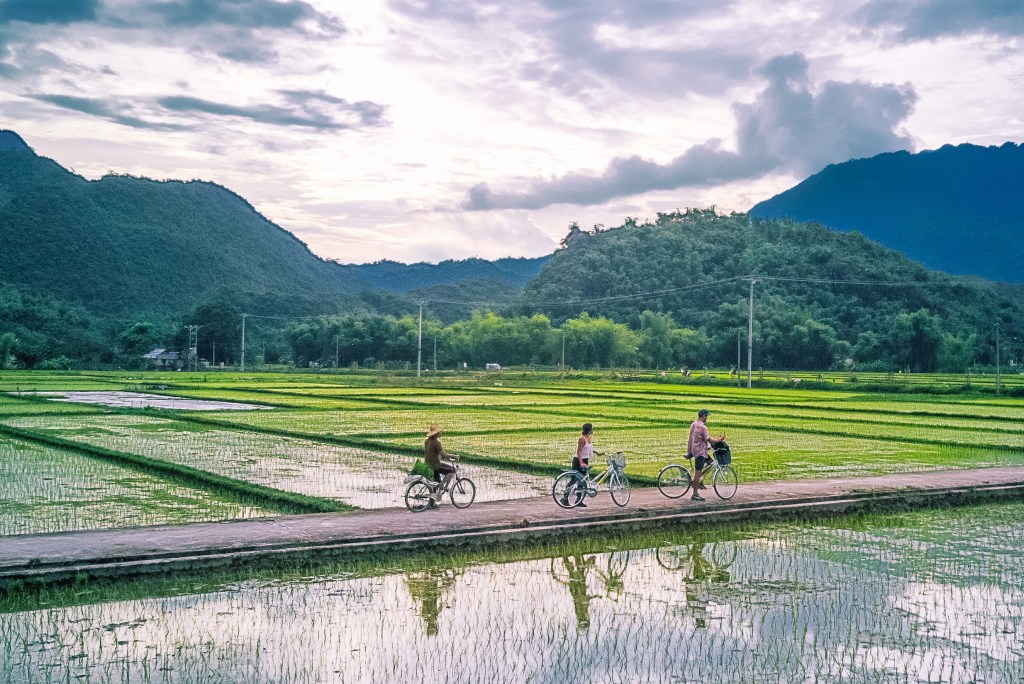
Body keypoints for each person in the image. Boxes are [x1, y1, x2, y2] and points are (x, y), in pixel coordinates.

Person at [687, 409, 724, 502]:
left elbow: (692, 437)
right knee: (697, 474)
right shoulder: (703, 427)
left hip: (696, 450)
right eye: (707, 416)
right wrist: (720, 439)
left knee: (711, 463)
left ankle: (700, 481)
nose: (707, 418)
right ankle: (695, 494)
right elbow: (710, 441)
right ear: (703, 416)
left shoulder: (694, 424)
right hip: (700, 453)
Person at [424, 423, 458, 504]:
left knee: (436, 482)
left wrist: (440, 457)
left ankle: (432, 503)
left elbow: (432, 453)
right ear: (435, 434)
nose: (440, 432)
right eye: (439, 432)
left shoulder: (427, 441)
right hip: (435, 465)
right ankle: (442, 485)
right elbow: (444, 454)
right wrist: (454, 456)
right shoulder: (436, 442)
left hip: (428, 464)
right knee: (452, 470)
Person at [570, 423, 602, 508]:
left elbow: (587, 448)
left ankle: (579, 500)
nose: (593, 430)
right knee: (573, 480)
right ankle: (565, 498)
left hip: (585, 460)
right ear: (589, 430)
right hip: (578, 460)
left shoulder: (589, 438)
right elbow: (579, 451)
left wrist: (597, 453)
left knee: (582, 481)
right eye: (592, 428)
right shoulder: (582, 439)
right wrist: (581, 462)